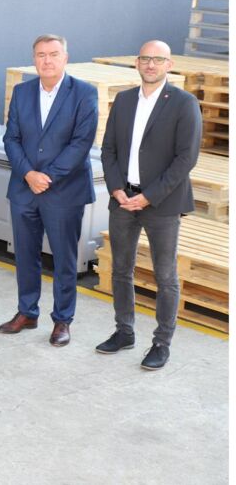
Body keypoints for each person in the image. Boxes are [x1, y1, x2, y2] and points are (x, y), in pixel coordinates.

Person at [96, 40, 202, 370]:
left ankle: (161, 343)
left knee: (165, 275)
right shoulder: (125, 100)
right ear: (137, 64)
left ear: (169, 65)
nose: (151, 65)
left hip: (162, 204)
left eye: (158, 60)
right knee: (121, 269)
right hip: (123, 200)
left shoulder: (184, 103)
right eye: (145, 59)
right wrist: (116, 189)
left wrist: (150, 195)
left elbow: (187, 158)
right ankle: (124, 331)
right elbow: (108, 149)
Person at [0, 34, 98, 347]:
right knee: (25, 255)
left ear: (65, 58)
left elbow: (81, 143)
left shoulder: (83, 93)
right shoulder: (23, 91)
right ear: (34, 59)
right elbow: (11, 138)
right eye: (40, 55)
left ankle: (62, 320)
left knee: (64, 259)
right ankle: (27, 312)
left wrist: (47, 177)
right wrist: (28, 173)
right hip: (25, 188)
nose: (47, 60)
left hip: (63, 192)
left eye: (53, 54)